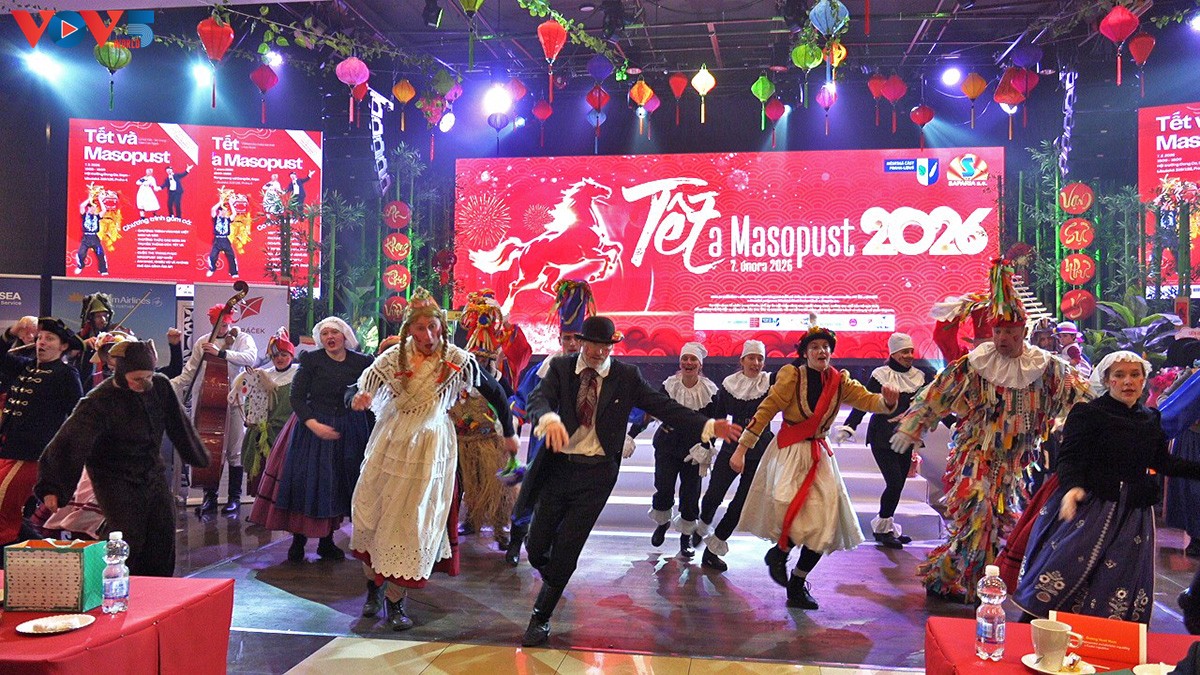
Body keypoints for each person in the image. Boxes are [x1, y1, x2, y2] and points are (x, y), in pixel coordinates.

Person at [519, 315, 741, 647]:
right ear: (582, 343)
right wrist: (548, 418)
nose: (599, 352)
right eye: (593, 345)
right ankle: (553, 574)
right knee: (536, 547)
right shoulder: (561, 368)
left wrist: (708, 426)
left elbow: (664, 407)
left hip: (596, 476)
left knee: (568, 547)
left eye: (605, 346)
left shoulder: (625, 376)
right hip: (559, 469)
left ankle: (541, 616)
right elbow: (538, 398)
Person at [891, 259, 1090, 603]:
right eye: (998, 332)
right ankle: (976, 588)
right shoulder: (974, 364)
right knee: (979, 514)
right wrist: (912, 427)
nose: (1002, 339)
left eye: (1010, 333)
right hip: (975, 453)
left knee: (996, 522)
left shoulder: (1045, 367)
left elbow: (1082, 398)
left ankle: (947, 575)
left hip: (1014, 462)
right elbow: (938, 394)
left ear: (1023, 332)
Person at [349, 288, 517, 631]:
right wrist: (358, 397)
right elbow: (360, 386)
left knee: (412, 520)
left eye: (433, 327)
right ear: (409, 329)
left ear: (442, 325)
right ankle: (373, 589)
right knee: (372, 515)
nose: (428, 335)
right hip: (389, 444)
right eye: (420, 328)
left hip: (429, 449)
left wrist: (510, 432)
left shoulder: (457, 360)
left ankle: (396, 601)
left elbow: (496, 392)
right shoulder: (392, 358)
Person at [1014, 351, 1200, 623]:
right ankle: (1038, 631)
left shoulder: (1150, 419)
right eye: (1119, 375)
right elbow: (1070, 458)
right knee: (1065, 569)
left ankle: (1101, 638)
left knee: (1118, 579)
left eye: (1134, 375)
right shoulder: (1088, 413)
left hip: (1132, 515)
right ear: (1107, 380)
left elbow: (1162, 462)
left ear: (1144, 380)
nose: (1128, 382)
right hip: (1090, 505)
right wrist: (1072, 488)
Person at [732, 320, 898, 610]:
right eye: (815, 347)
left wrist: (887, 402)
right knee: (790, 508)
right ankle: (781, 552)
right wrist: (741, 449)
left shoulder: (839, 380)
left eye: (825, 347)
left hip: (820, 455)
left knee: (824, 523)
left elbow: (867, 400)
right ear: (805, 353)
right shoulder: (791, 376)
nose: (822, 351)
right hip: (790, 452)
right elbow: (766, 409)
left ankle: (797, 581)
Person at [36, 340, 209, 576]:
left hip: (151, 471)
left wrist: (197, 456)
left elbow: (179, 424)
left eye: (148, 376)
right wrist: (52, 487)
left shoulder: (159, 386)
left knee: (162, 531)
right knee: (128, 535)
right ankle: (115, 582)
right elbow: (70, 442)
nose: (144, 384)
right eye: (137, 378)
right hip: (113, 477)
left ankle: (158, 587)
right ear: (121, 372)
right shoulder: (99, 401)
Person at [249, 317, 372, 561]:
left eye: (334, 332)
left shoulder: (362, 362)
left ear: (345, 335)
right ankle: (298, 541)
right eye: (325, 333)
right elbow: (296, 397)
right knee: (305, 482)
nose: (330, 337)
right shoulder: (312, 360)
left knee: (336, 484)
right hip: (311, 428)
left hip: (346, 429)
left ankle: (327, 541)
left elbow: (371, 388)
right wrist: (313, 424)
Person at [506, 279, 594, 566]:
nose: (572, 344)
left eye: (577, 338)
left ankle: (553, 550)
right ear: (559, 340)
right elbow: (523, 400)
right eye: (567, 338)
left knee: (565, 500)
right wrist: (514, 422)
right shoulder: (544, 369)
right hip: (543, 445)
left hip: (577, 447)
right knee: (532, 491)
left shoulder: (594, 373)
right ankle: (515, 541)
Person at [833, 333, 934, 550]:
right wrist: (850, 426)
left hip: (906, 437)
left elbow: (932, 403)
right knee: (894, 482)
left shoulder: (920, 377)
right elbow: (863, 402)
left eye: (911, 351)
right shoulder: (881, 375)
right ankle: (883, 528)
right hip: (882, 437)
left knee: (898, 485)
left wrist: (953, 422)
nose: (909, 355)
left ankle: (885, 527)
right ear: (894, 354)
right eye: (904, 352)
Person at [0, 318, 83, 547]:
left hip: (33, 455)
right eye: (40, 338)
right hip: (7, 449)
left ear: (63, 346)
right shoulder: (25, 367)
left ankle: (10, 554)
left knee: (2, 504)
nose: (42, 343)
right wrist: (12, 332)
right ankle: (38, 550)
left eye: (50, 339)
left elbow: (77, 418)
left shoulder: (66, 374)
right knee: (9, 512)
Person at [631, 341, 718, 559]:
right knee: (663, 487)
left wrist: (706, 447)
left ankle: (685, 537)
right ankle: (662, 523)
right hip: (667, 445)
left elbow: (715, 423)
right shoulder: (669, 385)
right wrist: (631, 434)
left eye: (693, 359)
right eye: (685, 358)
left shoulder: (710, 391)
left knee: (690, 494)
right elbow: (652, 410)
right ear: (680, 362)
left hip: (693, 450)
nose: (688, 362)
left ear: (700, 364)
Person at [172, 303, 258, 515]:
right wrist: (169, 385)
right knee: (209, 448)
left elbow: (250, 358)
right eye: (218, 323)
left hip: (234, 400)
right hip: (208, 400)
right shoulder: (203, 341)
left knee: (235, 450)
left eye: (226, 323)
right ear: (212, 322)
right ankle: (209, 497)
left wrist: (222, 353)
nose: (222, 327)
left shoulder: (242, 338)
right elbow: (190, 371)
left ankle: (234, 498)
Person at [451, 293, 520, 549]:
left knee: (499, 489)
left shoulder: (498, 381)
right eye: (476, 360)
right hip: (461, 442)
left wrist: (508, 429)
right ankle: (469, 521)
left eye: (484, 360)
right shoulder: (457, 379)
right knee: (465, 486)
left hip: (491, 441)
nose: (480, 363)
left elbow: (509, 404)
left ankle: (502, 529)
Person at [698, 339, 773, 572]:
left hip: (760, 449)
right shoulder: (729, 384)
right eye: (752, 358)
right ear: (742, 360)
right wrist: (707, 445)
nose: (756, 363)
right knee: (713, 494)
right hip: (732, 444)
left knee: (740, 504)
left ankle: (713, 550)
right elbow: (719, 418)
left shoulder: (770, 383)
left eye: (760, 359)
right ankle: (702, 524)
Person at [231, 328, 297, 499]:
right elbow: (249, 400)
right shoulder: (262, 375)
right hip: (262, 435)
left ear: (291, 355)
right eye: (275, 355)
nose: (279, 358)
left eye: (283, 354)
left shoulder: (298, 375)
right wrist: (250, 417)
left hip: (287, 434)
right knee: (262, 476)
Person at [75, 195, 108, 276]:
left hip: (95, 238)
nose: (94, 209)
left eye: (95, 208)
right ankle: (80, 266)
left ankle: (102, 270)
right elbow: (82, 206)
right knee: (81, 254)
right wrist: (89, 199)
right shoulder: (84, 215)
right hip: (86, 238)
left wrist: (100, 200)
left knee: (100, 254)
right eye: (92, 207)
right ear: (89, 208)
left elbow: (104, 210)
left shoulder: (97, 216)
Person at [208, 198, 240, 278]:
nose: (224, 212)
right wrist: (220, 202)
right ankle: (212, 268)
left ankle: (233, 272)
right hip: (217, 240)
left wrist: (230, 203)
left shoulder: (228, 220)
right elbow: (213, 209)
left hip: (225, 239)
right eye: (222, 211)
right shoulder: (216, 219)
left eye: (225, 211)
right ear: (219, 211)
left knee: (231, 256)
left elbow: (234, 214)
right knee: (212, 256)